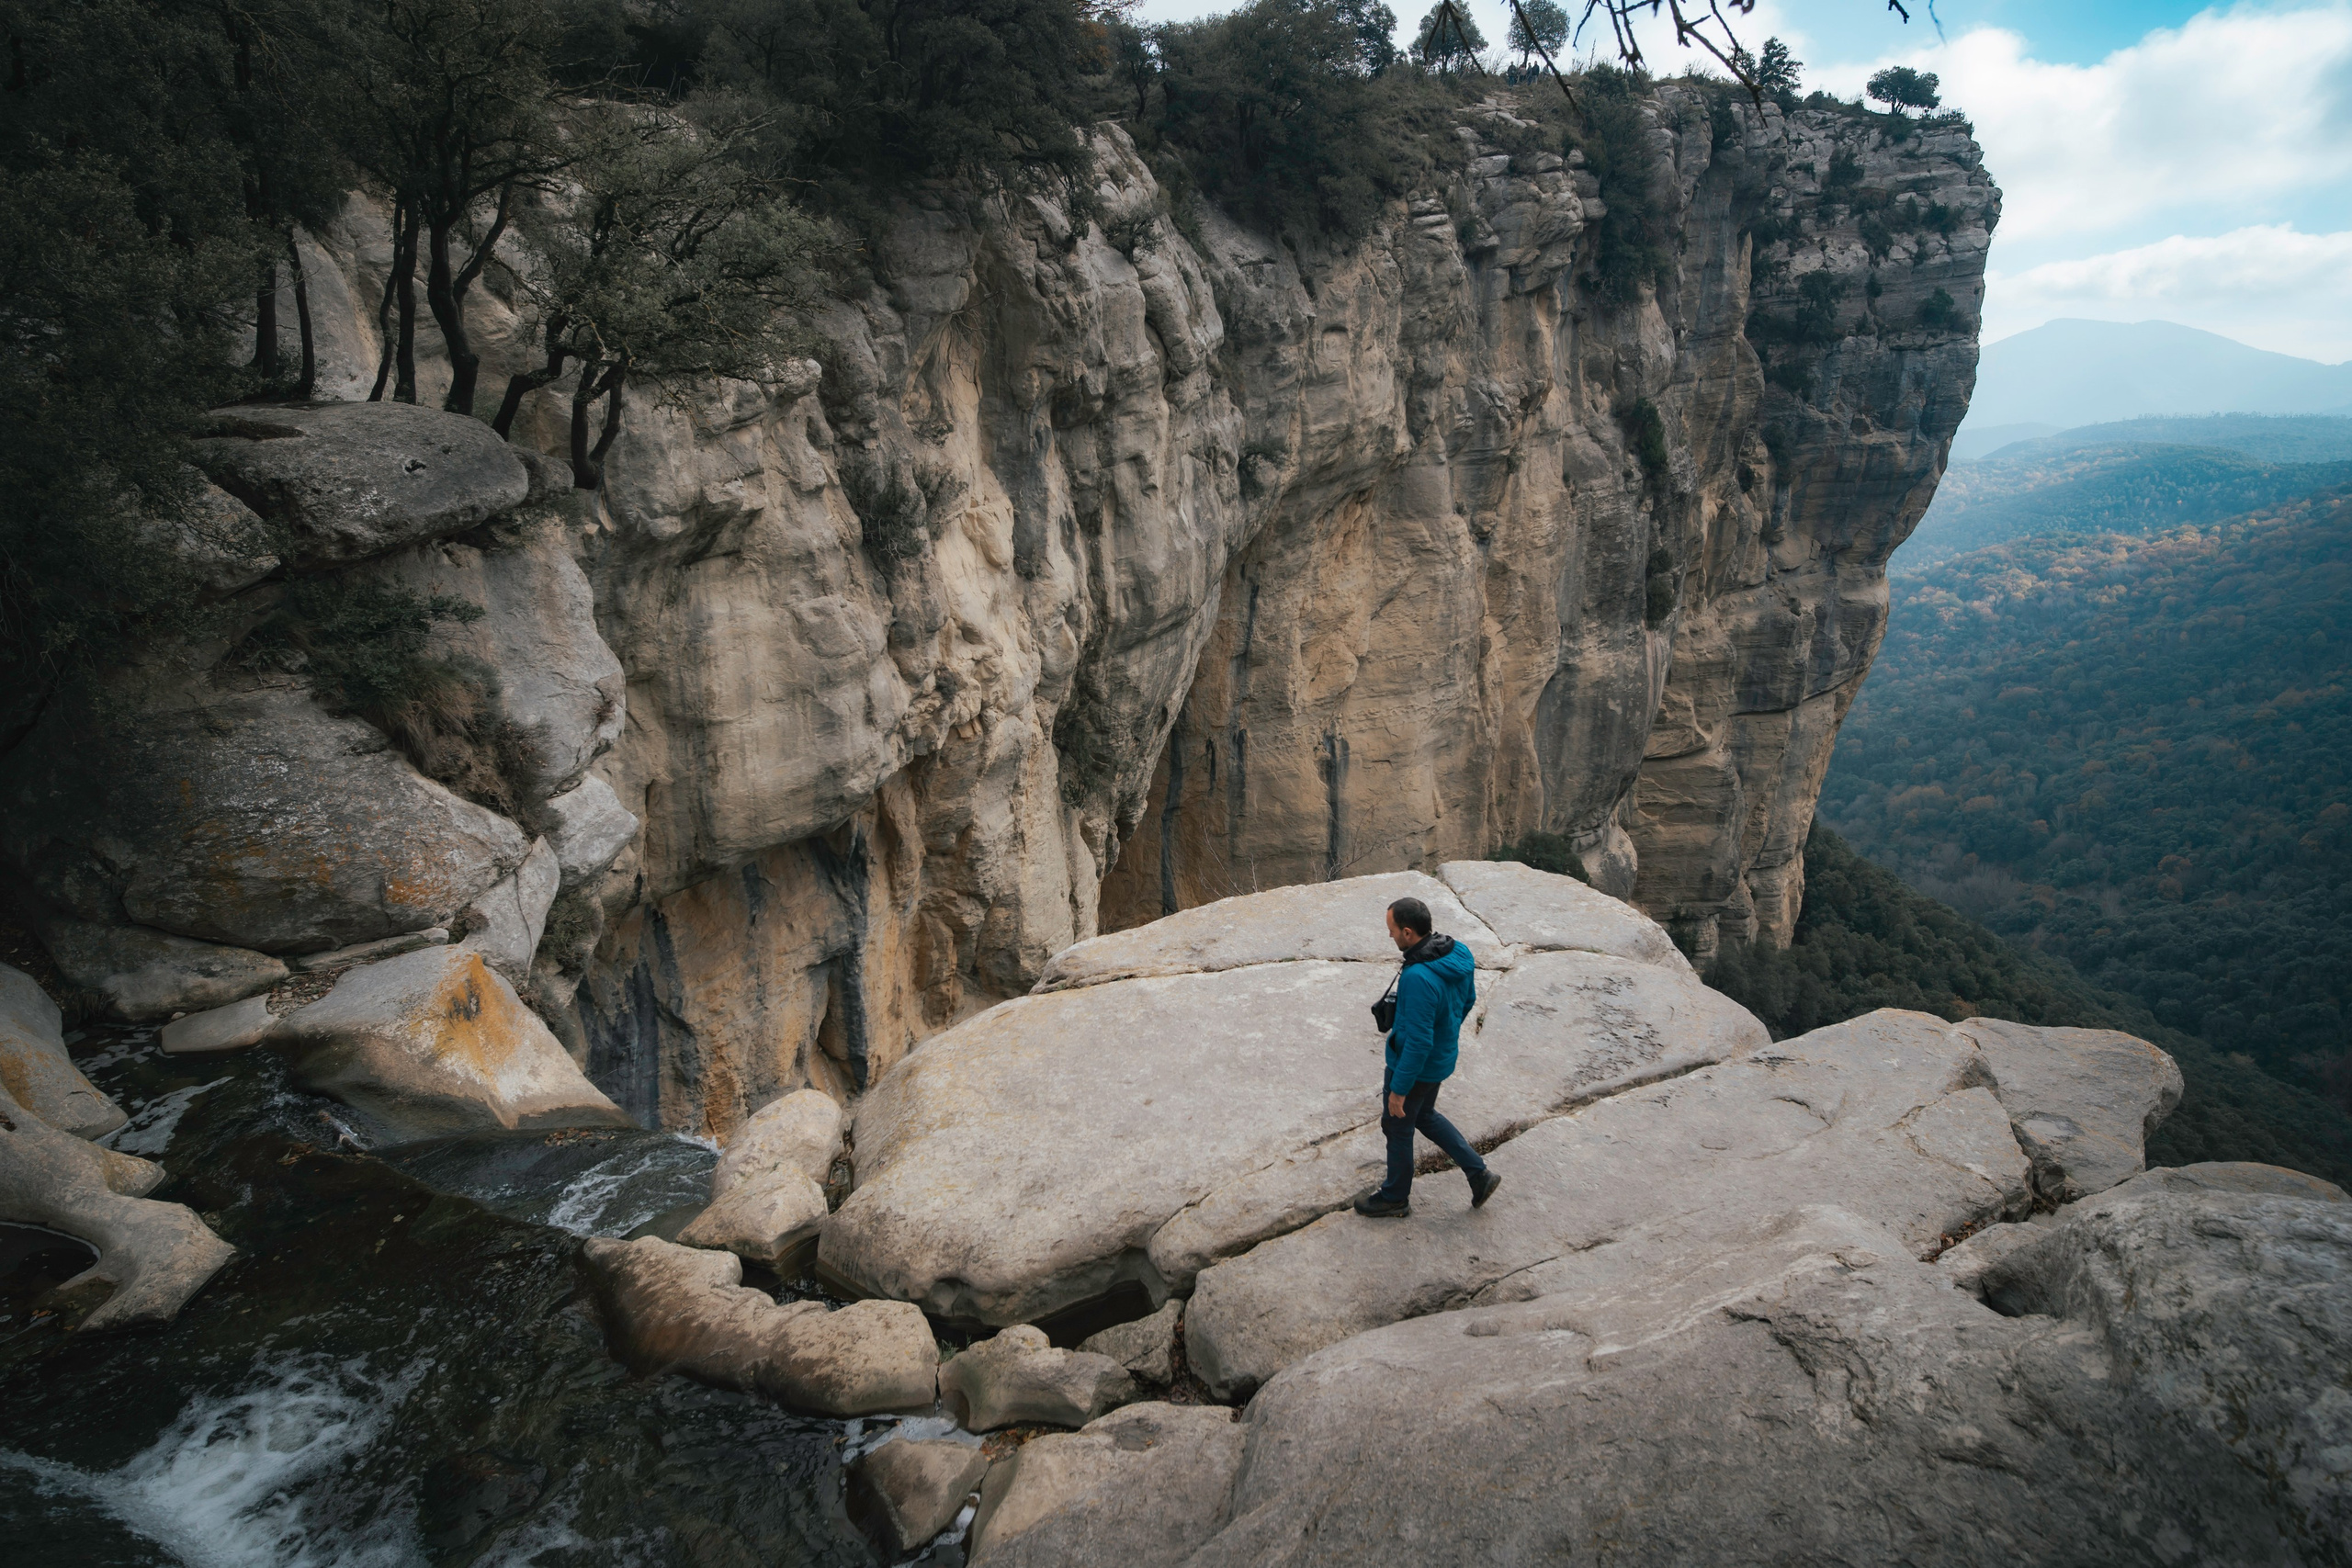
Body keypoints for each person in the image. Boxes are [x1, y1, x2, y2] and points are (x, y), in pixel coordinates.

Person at [1354, 897, 1502, 1218]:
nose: (1390, 936)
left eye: (1392, 930)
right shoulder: (1457, 951)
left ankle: (1394, 1197)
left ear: (1408, 932)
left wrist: (1399, 1090)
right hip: (1440, 1060)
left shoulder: (1418, 977)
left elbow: (1418, 1042)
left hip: (1415, 1067)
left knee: (1397, 1125)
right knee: (1425, 1116)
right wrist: (1447, 1032)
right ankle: (1479, 1174)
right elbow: (1468, 999)